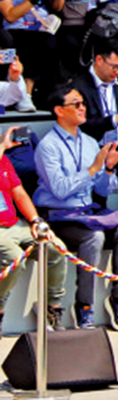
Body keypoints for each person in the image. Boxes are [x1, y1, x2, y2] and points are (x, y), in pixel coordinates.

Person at [34, 83, 118, 331]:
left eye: (83, 103)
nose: (82, 108)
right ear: (59, 110)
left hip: (87, 211)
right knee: (94, 238)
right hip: (59, 216)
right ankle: (84, 306)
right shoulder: (48, 146)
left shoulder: (90, 142)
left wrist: (108, 168)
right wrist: (92, 169)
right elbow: (59, 189)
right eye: (75, 104)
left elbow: (101, 192)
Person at [0, 126, 64, 331]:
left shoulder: (4, 159)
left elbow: (18, 193)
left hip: (14, 224)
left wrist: (36, 221)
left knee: (56, 249)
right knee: (15, 259)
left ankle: (52, 308)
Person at [77, 36, 118, 144]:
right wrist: (113, 120)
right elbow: (81, 124)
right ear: (99, 60)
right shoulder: (79, 85)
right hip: (92, 148)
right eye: (114, 67)